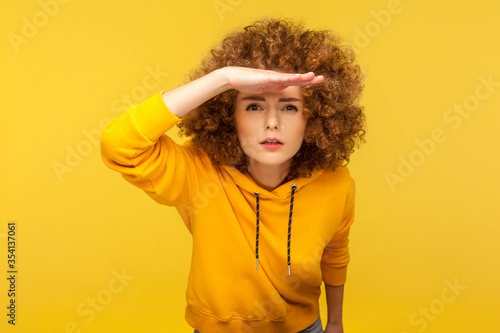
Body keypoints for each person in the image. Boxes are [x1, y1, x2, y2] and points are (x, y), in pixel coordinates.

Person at [100, 17, 365, 333]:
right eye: (253, 106)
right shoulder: (200, 172)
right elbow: (118, 144)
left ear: (315, 118)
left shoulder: (336, 183)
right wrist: (222, 79)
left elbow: (335, 254)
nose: (272, 122)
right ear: (229, 115)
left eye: (290, 107)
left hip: (304, 327)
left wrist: (335, 323)